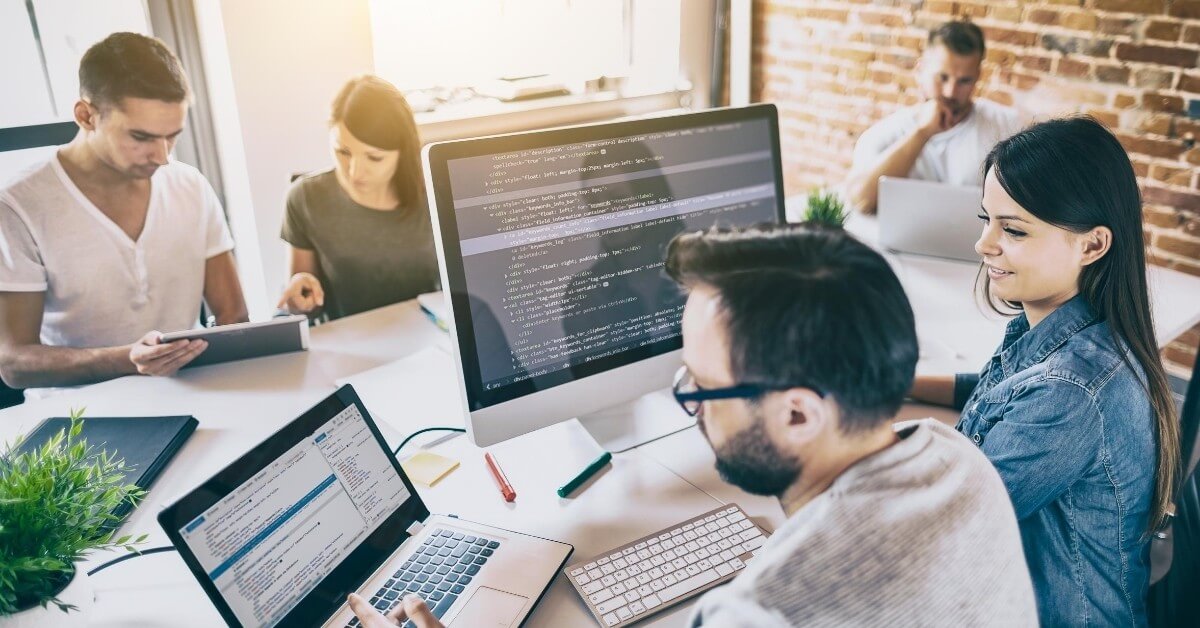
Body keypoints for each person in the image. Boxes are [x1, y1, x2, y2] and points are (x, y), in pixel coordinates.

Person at [347, 222, 1038, 627]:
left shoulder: (761, 612)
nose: (689, 402)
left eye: (703, 386)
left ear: (799, 411)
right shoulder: (959, 461)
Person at [909, 116, 1179, 626]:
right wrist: (902, 382)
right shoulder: (1079, 333)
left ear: (1092, 245)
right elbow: (1005, 394)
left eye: (1012, 230)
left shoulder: (1069, 393)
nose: (984, 245)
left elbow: (938, 528)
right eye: (986, 220)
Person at [0, 32, 247, 394]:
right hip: (80, 425)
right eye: (142, 137)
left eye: (172, 136)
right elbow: (14, 364)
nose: (162, 156)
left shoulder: (190, 186)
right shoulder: (18, 206)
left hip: (192, 399)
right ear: (86, 116)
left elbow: (234, 318)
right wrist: (127, 359)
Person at [277, 75, 439, 321]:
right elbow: (305, 308)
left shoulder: (436, 193)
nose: (354, 172)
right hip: (349, 345)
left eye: (374, 158)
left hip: (430, 336)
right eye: (342, 151)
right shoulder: (305, 198)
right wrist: (299, 298)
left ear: (403, 152)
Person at [844, 20, 1023, 214]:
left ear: (978, 76)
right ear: (920, 71)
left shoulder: (1006, 125)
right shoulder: (884, 133)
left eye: (964, 81)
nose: (951, 92)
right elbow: (861, 201)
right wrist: (922, 133)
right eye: (942, 77)